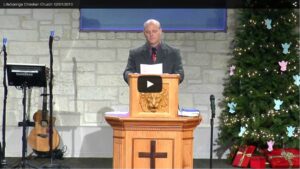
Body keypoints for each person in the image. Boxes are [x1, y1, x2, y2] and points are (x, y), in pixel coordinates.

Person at [123, 19, 184, 84]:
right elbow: (127, 72)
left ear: (160, 31)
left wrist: (170, 77)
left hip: (166, 91)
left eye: (154, 31)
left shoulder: (174, 53)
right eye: (148, 32)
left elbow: (180, 73)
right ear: (144, 33)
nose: (151, 34)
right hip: (142, 92)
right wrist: (133, 77)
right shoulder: (135, 54)